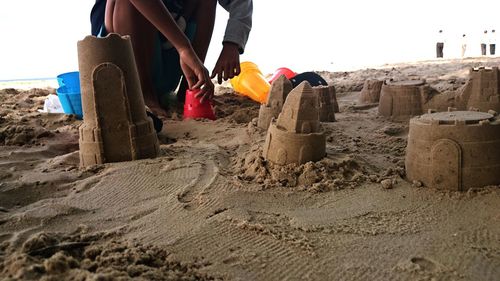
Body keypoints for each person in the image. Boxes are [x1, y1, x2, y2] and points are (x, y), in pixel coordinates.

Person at [90, 0, 253, 117]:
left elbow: (241, 2)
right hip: (125, 67)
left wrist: (232, 44)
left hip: (169, 58)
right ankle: (146, 95)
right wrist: (183, 47)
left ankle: (191, 90)